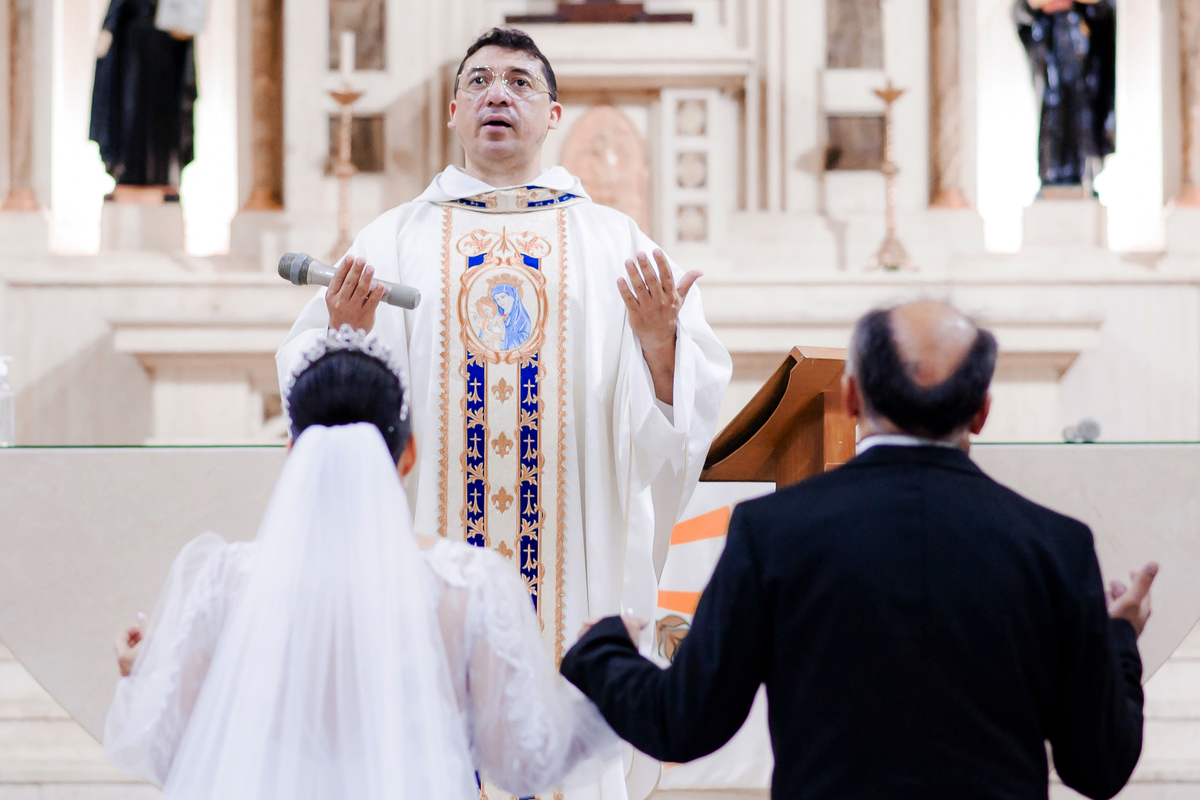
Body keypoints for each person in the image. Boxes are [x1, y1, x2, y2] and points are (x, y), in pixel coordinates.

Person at [276, 26, 730, 717]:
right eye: (478, 81)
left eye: (520, 82)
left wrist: (660, 344)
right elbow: (321, 404)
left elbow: (674, 424)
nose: (497, 94)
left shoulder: (614, 243)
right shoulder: (392, 241)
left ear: (553, 116)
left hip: (571, 563)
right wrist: (348, 338)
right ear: (453, 111)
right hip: (427, 550)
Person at [561, 300, 1155, 800]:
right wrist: (1120, 639)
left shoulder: (773, 533)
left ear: (849, 395)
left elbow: (682, 724)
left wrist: (601, 649)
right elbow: (1098, 769)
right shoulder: (1056, 547)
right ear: (982, 410)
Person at [104, 325, 617, 800]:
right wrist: (607, 678)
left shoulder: (228, 581)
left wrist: (140, 674)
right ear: (409, 452)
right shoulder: (469, 586)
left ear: (292, 451)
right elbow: (522, 764)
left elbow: (171, 754)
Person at [90, 0, 197, 195]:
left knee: (163, 114)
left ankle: (163, 174)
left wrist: (188, 22)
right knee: (131, 110)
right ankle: (128, 173)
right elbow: (117, 8)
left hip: (166, 45)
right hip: (133, 46)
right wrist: (108, 29)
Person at [1015, 0, 1115, 192]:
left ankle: (1083, 172)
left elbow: (1104, 10)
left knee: (1081, 114)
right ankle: (1051, 173)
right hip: (1051, 64)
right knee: (1053, 115)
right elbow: (1021, 11)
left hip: (1082, 69)